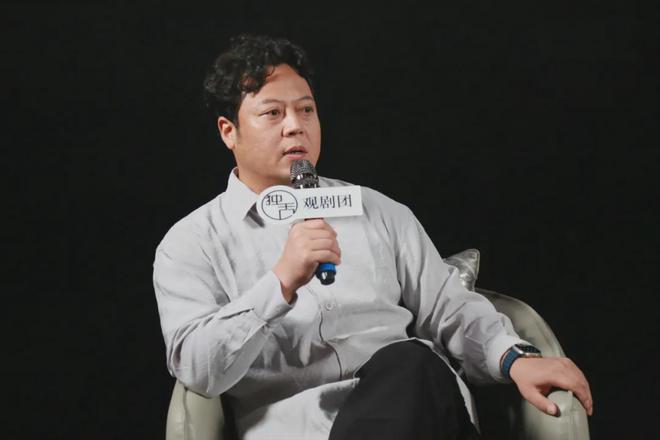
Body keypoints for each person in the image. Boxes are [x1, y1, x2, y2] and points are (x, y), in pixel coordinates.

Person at [153, 34, 592, 440]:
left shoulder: (376, 211)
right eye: (273, 113)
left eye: (306, 110)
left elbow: (450, 308)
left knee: (413, 362)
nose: (295, 126)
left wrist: (515, 359)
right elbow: (197, 369)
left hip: (422, 413)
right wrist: (280, 284)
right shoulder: (192, 243)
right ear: (228, 131)